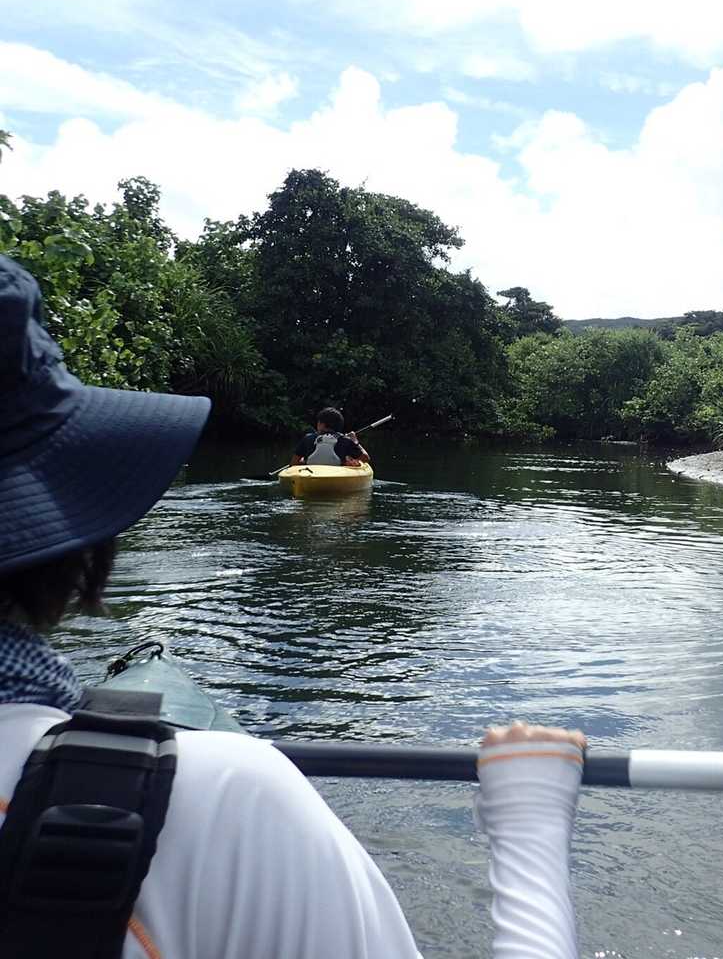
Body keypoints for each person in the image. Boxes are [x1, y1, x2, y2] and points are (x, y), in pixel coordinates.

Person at [0, 255, 586, 958]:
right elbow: (359, 465)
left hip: (306, 486)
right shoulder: (233, 799)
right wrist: (530, 827)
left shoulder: (309, 442)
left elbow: (308, 454)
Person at [291, 406, 371, 468]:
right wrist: (355, 441)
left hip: (311, 476)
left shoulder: (307, 438)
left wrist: (304, 461)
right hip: (337, 477)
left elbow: (293, 463)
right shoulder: (346, 440)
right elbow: (365, 458)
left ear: (322, 424)